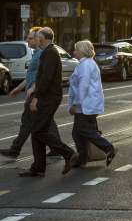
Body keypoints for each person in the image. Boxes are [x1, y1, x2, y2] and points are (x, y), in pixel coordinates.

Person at [20, 27, 75, 177]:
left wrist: (36, 98)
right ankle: (38, 168)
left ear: (42, 39)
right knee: (37, 131)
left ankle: (69, 153)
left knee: (38, 131)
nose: (34, 39)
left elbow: (46, 79)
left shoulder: (50, 53)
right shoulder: (47, 52)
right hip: (47, 97)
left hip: (48, 98)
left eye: (37, 37)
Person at [0, 27, 62, 159]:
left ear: (39, 39)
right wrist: (19, 88)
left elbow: (43, 75)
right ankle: (56, 150)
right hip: (34, 91)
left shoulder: (44, 53)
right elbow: (32, 74)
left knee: (30, 123)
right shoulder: (36, 53)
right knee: (45, 122)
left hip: (36, 93)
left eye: (30, 38)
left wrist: (34, 90)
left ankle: (15, 150)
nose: (27, 40)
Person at [68, 40, 115, 168]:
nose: (74, 52)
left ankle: (108, 148)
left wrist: (75, 104)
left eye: (76, 49)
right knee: (79, 132)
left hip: (85, 105)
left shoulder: (85, 65)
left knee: (83, 130)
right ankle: (82, 158)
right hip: (88, 104)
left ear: (82, 51)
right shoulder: (87, 63)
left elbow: (83, 86)